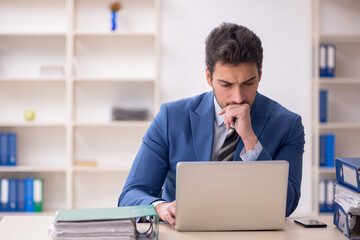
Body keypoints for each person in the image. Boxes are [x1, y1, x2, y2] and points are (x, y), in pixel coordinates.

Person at [118, 22, 305, 225]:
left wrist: (251, 141)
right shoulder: (171, 118)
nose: (238, 97)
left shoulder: (288, 125)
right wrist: (160, 207)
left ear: (260, 74)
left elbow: (287, 204)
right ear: (209, 77)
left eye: (248, 83)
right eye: (226, 85)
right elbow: (130, 195)